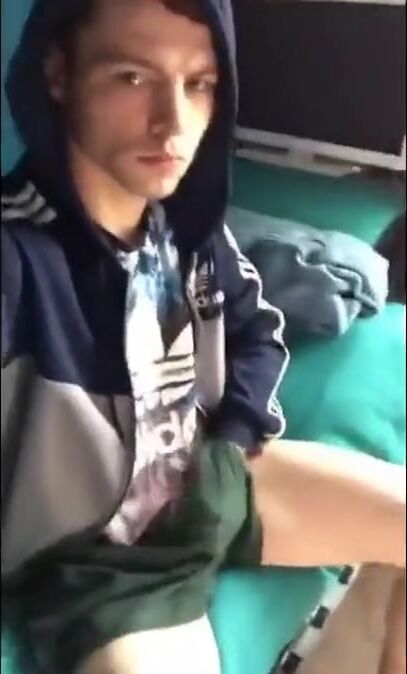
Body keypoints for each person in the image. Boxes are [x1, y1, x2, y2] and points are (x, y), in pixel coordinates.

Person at [1, 1, 405, 673]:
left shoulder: (186, 229)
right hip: (107, 564)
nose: (174, 123)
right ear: (58, 74)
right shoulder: (18, 254)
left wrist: (235, 434)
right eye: (132, 77)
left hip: (209, 484)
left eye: (198, 84)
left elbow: (256, 331)